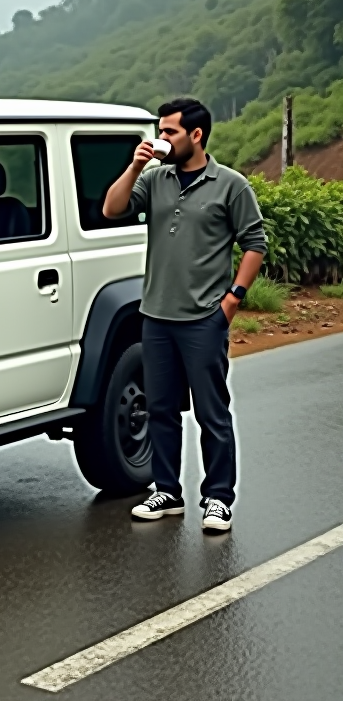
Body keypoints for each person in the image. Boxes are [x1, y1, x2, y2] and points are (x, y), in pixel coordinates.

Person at [102, 97, 267, 532]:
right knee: (160, 409)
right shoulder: (155, 179)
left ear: (195, 135)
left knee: (212, 411)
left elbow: (255, 244)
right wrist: (135, 166)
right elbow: (112, 208)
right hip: (155, 316)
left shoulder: (230, 185)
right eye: (161, 131)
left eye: (170, 131)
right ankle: (167, 491)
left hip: (204, 319)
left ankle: (218, 498)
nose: (162, 138)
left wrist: (232, 300)